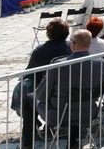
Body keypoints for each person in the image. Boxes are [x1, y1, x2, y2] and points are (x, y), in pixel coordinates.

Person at [34, 30, 104, 149]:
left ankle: (27, 139)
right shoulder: (101, 63)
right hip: (87, 112)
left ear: (72, 44)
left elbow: (41, 96)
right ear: (89, 44)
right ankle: (72, 142)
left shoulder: (58, 65)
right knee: (76, 102)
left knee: (29, 97)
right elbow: (101, 89)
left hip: (58, 114)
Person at [21, 19, 72, 148]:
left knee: (26, 95)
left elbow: (30, 71)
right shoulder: (70, 48)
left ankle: (28, 140)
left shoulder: (40, 50)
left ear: (49, 33)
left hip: (49, 93)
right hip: (72, 94)